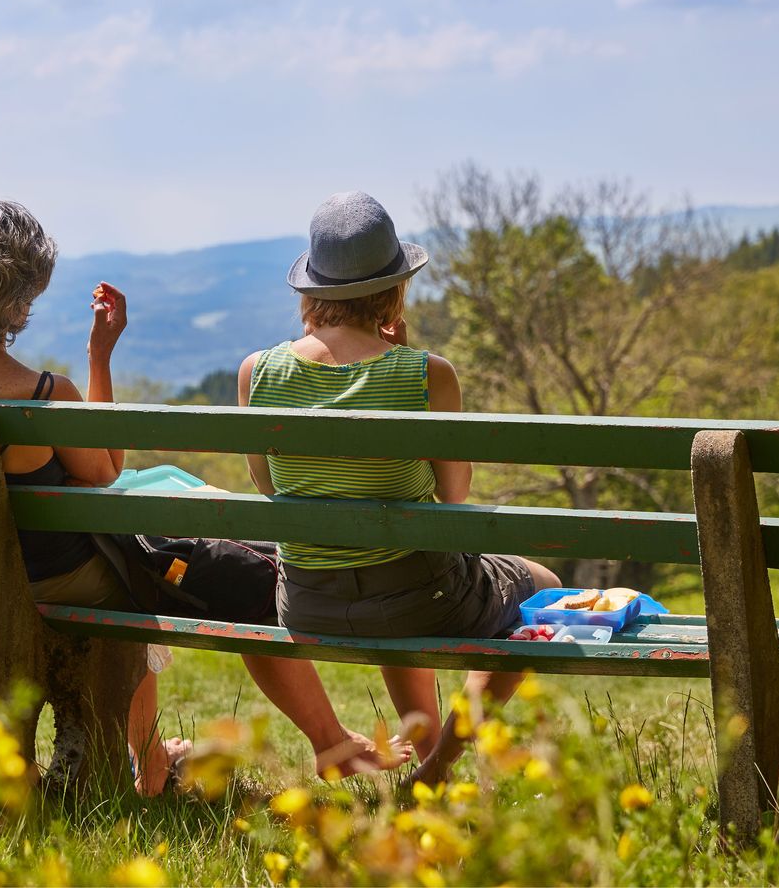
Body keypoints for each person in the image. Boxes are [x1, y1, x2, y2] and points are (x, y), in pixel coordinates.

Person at [0, 198, 403, 793]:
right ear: (19, 295)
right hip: (68, 577)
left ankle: (156, 758)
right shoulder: (39, 390)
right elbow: (108, 470)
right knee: (247, 580)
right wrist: (99, 356)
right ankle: (319, 745)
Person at [238, 190, 562, 786]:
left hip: (309, 600)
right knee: (541, 586)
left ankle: (427, 747)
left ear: (312, 291)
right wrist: (404, 359)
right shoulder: (427, 373)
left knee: (408, 575)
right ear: (393, 290)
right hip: (419, 597)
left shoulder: (258, 372)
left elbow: (267, 483)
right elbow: (454, 494)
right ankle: (438, 765)